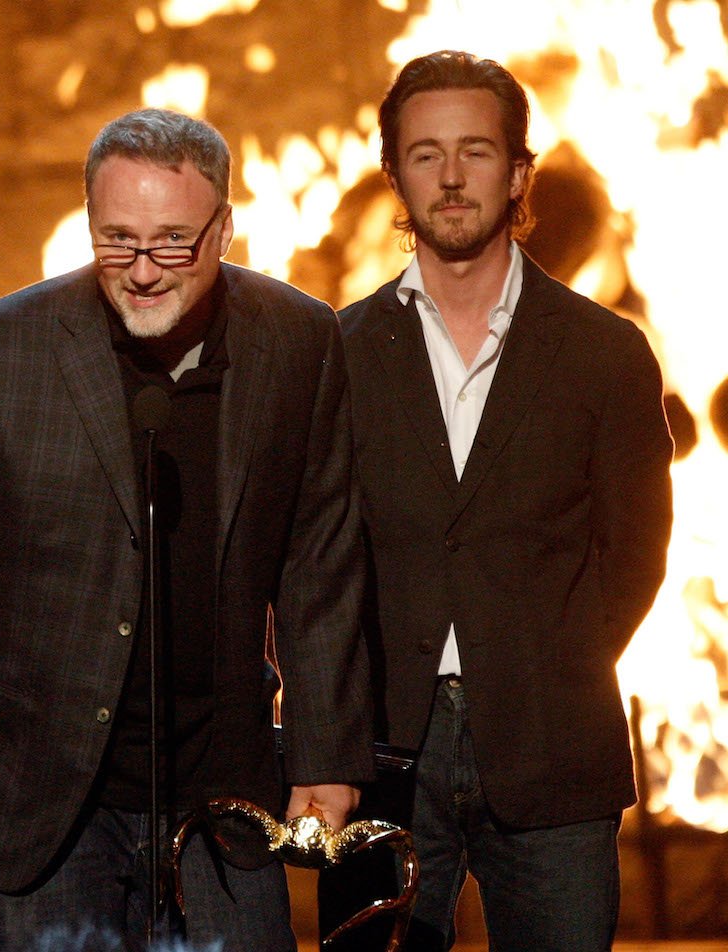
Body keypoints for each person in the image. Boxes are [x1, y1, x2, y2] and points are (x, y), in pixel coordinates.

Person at [0, 107, 374, 951]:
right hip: (38, 797)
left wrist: (327, 752)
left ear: (226, 230)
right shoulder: (0, 347)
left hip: (220, 793)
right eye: (116, 240)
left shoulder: (298, 338)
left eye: (173, 241)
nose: (142, 271)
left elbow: (323, 557)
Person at [332, 50, 674, 950]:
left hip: (556, 748)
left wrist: (546, 661)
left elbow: (637, 554)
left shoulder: (606, 353)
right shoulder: (335, 355)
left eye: (476, 152)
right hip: (381, 756)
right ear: (393, 177)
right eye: (425, 154)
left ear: (520, 172)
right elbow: (307, 556)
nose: (450, 177)